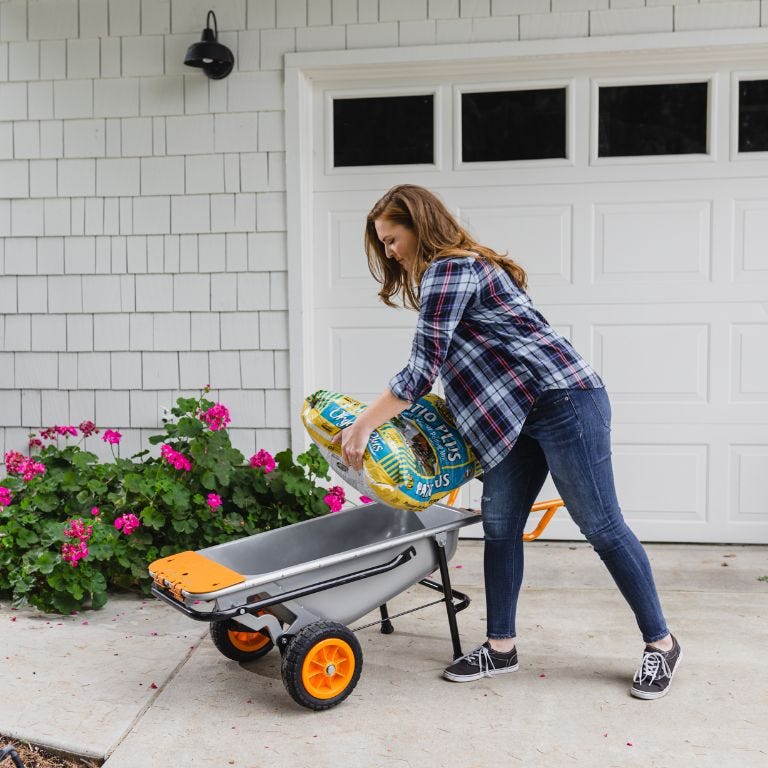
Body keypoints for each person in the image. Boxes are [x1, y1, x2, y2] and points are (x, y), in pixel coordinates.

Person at [333, 184, 681, 700]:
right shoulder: (453, 271)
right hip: (510, 418)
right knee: (499, 527)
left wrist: (363, 425)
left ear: (418, 225)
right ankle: (501, 648)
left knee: (601, 524)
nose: (388, 252)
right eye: (382, 244)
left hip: (563, 400)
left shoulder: (449, 268)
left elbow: (422, 368)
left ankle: (662, 643)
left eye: (391, 239)